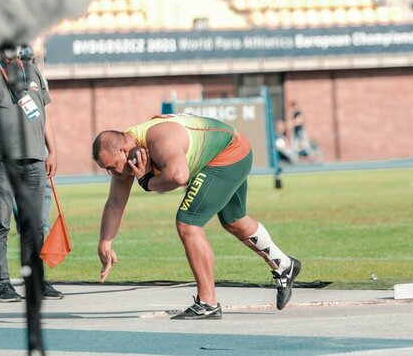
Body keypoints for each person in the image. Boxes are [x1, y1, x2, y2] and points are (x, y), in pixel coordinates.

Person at [92, 114, 301, 320]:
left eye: (111, 167)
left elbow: (178, 177)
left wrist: (147, 181)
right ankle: (284, 265)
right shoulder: (129, 156)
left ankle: (207, 303)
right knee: (234, 221)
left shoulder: (157, 137)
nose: (112, 173)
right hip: (230, 148)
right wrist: (105, 242)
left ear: (123, 150)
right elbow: (115, 202)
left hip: (227, 153)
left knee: (188, 222)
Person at [0, 45, 64, 305]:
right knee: (0, 223)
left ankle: (36, 280)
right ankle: (1, 284)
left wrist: (52, 151)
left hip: (34, 157)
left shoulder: (32, 70)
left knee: (34, 225)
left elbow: (46, 115)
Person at [11, 44, 53, 236]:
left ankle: (41, 224)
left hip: (37, 140)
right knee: (17, 187)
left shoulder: (37, 76)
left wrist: (51, 148)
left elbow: (43, 113)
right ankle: (25, 225)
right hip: (16, 141)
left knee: (43, 185)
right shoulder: (7, 77)